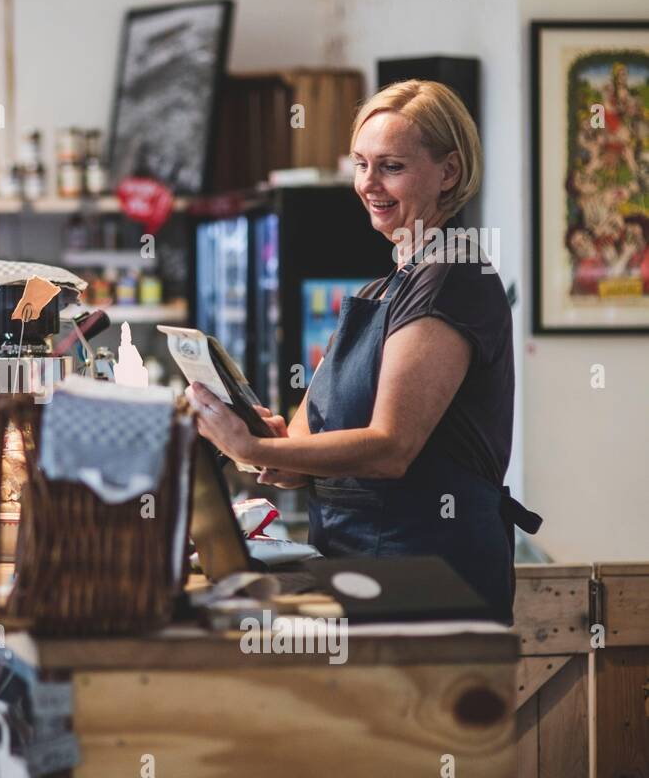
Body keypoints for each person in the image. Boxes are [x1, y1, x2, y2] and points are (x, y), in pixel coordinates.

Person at [187, 80, 539, 621]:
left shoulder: (452, 276)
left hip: (426, 575)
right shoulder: (383, 290)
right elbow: (303, 450)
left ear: (448, 172)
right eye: (360, 164)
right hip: (357, 565)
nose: (368, 184)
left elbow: (390, 447)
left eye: (391, 167)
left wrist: (260, 452)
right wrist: (266, 442)